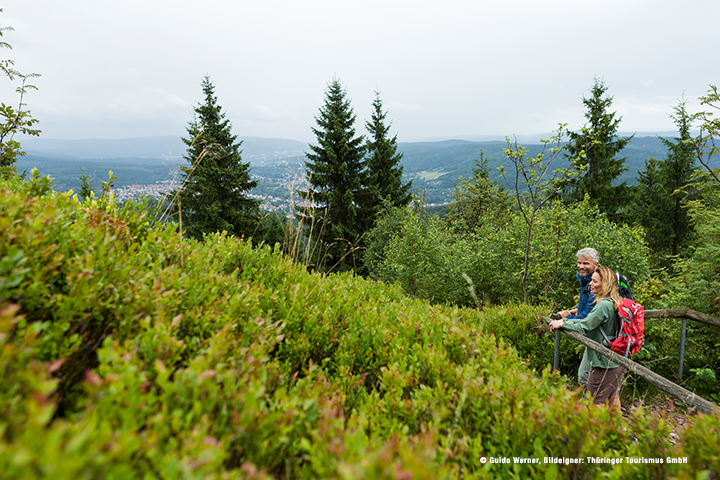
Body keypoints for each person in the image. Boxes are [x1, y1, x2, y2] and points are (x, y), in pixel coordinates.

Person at [549, 266, 625, 413]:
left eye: (595, 282)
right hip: (617, 359)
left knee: (595, 401)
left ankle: (594, 433)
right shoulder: (616, 301)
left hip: (603, 361)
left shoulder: (603, 305)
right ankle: (618, 431)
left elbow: (586, 325)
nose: (591, 284)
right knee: (613, 396)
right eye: (591, 281)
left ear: (606, 284)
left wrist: (563, 323)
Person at [554, 248, 599, 386]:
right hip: (595, 335)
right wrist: (571, 311)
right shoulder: (586, 281)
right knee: (602, 383)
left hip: (601, 337)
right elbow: (585, 308)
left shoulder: (597, 284)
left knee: (585, 377)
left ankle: (592, 406)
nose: (581, 266)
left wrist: (564, 321)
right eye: (579, 262)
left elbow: (588, 316)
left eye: (586, 263)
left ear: (596, 265)